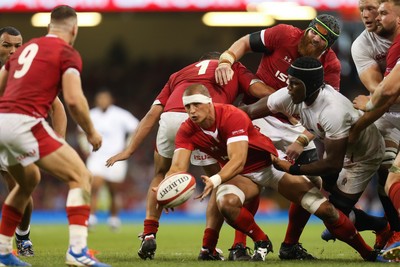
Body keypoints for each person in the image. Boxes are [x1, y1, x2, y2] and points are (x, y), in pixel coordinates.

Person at [165, 82, 382, 262]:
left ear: (209, 103)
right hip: (241, 177)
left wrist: (215, 178)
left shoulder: (231, 115)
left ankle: (368, 253)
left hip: (269, 166)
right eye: (187, 107)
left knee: (326, 210)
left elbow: (238, 159)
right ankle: (262, 240)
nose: (192, 111)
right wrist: (166, 189)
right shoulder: (186, 129)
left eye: (196, 105)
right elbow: (177, 167)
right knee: (226, 204)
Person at [106, 52, 272, 260]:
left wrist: (129, 150)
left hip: (170, 117)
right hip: (204, 120)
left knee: (161, 173)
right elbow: (258, 89)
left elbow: (152, 113)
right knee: (220, 181)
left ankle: (149, 233)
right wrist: (285, 99)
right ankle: (208, 247)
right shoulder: (230, 66)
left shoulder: (179, 74)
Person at [214, 14, 344, 260]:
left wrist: (303, 139)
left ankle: (290, 245)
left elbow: (327, 112)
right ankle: (239, 246)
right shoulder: (285, 34)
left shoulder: (331, 66)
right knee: (249, 181)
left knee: (314, 183)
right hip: (257, 114)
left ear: (328, 46)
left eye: (322, 38)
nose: (315, 37)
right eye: (314, 31)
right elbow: (244, 42)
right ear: (308, 29)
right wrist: (225, 60)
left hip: (295, 125)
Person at [0, 5, 110, 267]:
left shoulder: (26, 50)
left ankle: (3, 252)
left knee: (28, 182)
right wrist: (91, 131)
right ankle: (77, 251)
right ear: (74, 29)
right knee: (81, 176)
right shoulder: (67, 53)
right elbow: (73, 99)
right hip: (25, 123)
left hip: (3, 122)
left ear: (48, 27)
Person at [0, 26, 67, 257]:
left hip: (13, 136)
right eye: (6, 45)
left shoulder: (26, 71)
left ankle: (23, 235)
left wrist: (58, 141)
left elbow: (56, 107)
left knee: (21, 188)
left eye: (18, 45)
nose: (13, 50)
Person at [348, 0, 400, 249]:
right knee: (386, 168)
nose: (367, 16)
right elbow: (378, 91)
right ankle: (393, 231)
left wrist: (369, 107)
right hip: (388, 115)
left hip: (382, 104)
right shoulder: (362, 45)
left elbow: (384, 92)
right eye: (362, 10)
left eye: (374, 9)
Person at [78, 89, 139, 231]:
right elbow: (80, 131)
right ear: (96, 101)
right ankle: (91, 218)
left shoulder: (120, 114)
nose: (103, 101)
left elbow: (136, 127)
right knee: (94, 186)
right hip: (96, 156)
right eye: (100, 99)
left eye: (105, 99)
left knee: (114, 190)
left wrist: (127, 146)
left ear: (111, 100)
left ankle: (114, 218)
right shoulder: (91, 114)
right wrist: (85, 148)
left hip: (115, 157)